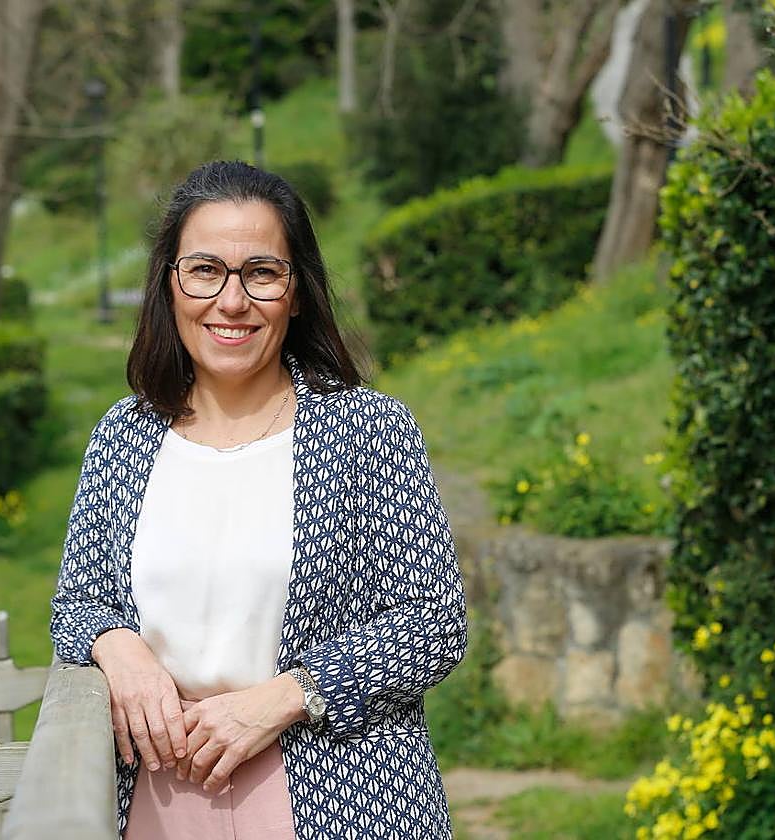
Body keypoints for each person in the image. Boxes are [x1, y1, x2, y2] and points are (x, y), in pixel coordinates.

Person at [50, 160, 467, 840]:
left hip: (338, 790)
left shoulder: (369, 430)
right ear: (170, 284)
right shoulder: (123, 437)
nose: (232, 301)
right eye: (206, 270)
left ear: (296, 292)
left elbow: (435, 621)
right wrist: (115, 644)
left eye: (261, 273)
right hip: (154, 796)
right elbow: (75, 605)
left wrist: (286, 697)